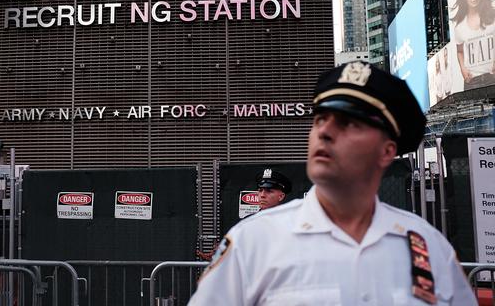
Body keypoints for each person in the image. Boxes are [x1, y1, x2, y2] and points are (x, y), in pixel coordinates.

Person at [189, 61, 476, 305]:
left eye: (349, 123)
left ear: (387, 151)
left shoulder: (428, 247)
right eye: (321, 119)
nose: (325, 131)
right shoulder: (253, 242)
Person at [450, 0, 495, 90]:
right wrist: (463, 69)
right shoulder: (459, 27)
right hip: (472, 83)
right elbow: (459, 51)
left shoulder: (493, 16)